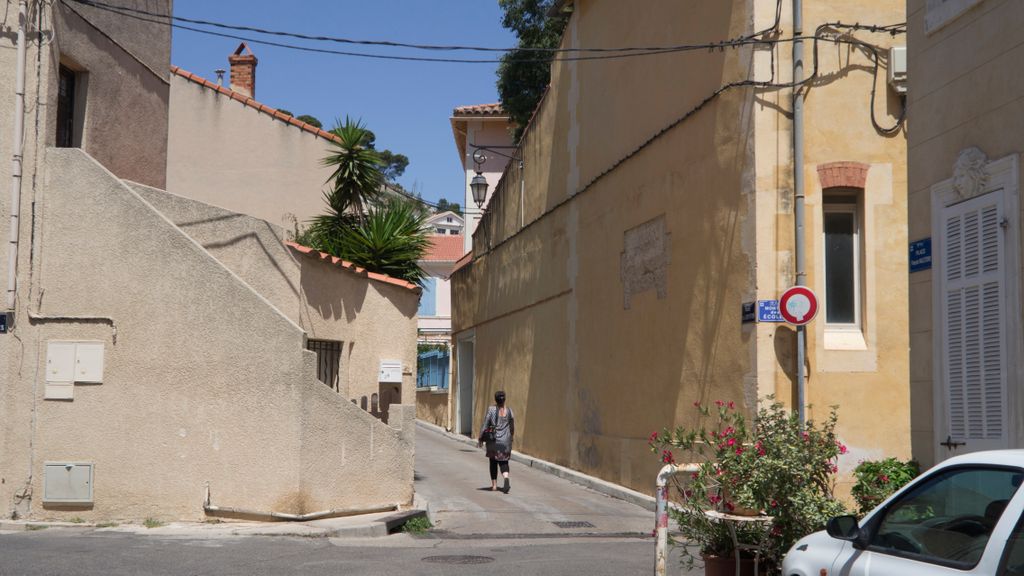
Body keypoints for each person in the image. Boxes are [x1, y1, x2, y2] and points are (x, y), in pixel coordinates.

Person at [478, 390, 514, 493]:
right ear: (504, 399)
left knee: (493, 462)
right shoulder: (510, 411)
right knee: (504, 462)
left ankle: (494, 486)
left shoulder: (491, 410)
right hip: (505, 441)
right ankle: (506, 478)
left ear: (495, 399)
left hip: (494, 441)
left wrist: (480, 437)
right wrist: (510, 439)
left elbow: (485, 424)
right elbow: (512, 428)